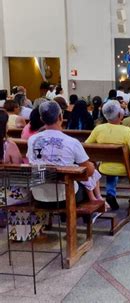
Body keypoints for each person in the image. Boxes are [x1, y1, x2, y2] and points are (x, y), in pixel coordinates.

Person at [28, 101, 105, 219]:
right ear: (60, 116)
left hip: (38, 194)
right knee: (88, 177)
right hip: (65, 196)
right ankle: (87, 215)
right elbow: (88, 172)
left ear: (42, 119)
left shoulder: (32, 140)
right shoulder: (72, 142)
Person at [85, 100, 130, 209]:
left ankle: (110, 194)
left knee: (112, 167)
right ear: (120, 114)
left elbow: (86, 146)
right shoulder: (127, 131)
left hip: (104, 167)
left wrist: (94, 162)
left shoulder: (98, 129)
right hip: (125, 168)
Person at [0, 109, 34, 240]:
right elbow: (20, 171)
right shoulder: (8, 145)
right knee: (35, 190)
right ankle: (22, 232)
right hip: (7, 193)